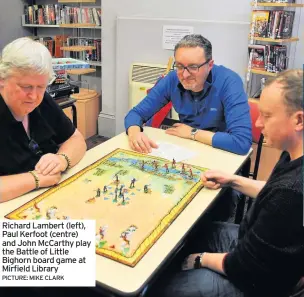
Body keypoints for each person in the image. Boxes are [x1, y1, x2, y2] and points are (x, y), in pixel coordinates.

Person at [145, 69, 304, 297]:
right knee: (192, 234)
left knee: (167, 288)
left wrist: (201, 259)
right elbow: (273, 191)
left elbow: (245, 267)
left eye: (267, 116)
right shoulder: (294, 154)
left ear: (298, 120)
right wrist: (233, 180)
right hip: (254, 243)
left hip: (257, 282)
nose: (258, 123)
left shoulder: (293, 192)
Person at [124, 34, 252, 155]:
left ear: (210, 65)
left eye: (193, 67)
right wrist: (134, 132)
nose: (184, 75)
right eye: (179, 66)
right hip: (186, 149)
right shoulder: (172, 79)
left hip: (220, 150)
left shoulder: (229, 82)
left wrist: (193, 133)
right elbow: (136, 113)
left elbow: (241, 142)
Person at [0, 37, 87, 203]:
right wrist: (36, 179)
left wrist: (62, 159)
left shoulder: (42, 100)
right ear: (2, 80)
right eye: (25, 87)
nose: (33, 96)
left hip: (48, 197)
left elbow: (76, 139)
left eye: (41, 87)